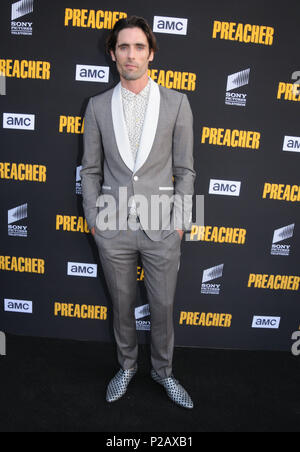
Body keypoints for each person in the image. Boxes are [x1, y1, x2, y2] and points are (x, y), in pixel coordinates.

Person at [80, 16, 196, 409]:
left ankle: (164, 372)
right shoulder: (96, 107)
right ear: (113, 54)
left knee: (163, 307)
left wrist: (180, 224)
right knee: (121, 304)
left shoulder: (177, 103)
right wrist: (96, 222)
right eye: (124, 47)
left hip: (162, 225)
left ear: (151, 53)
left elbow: (185, 171)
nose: (132, 55)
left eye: (139, 47)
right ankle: (127, 366)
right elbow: (91, 170)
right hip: (112, 227)